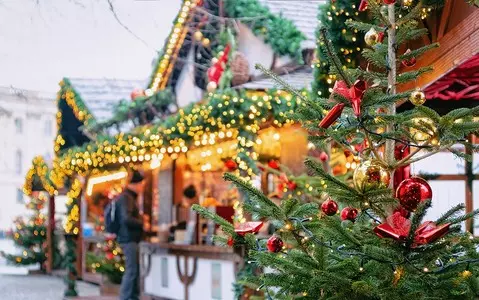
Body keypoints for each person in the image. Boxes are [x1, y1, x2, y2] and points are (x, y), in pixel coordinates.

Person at [116, 170, 144, 300]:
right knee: (132, 271)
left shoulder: (128, 197)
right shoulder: (127, 197)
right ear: (136, 184)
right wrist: (142, 222)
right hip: (129, 238)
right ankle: (126, 297)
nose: (142, 187)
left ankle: (132, 297)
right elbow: (126, 218)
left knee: (134, 270)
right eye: (141, 184)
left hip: (130, 238)